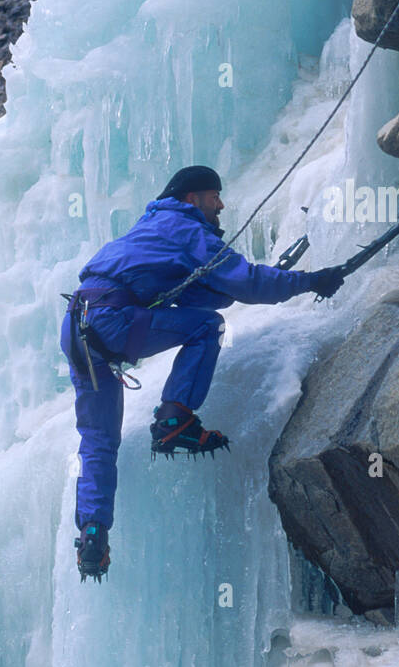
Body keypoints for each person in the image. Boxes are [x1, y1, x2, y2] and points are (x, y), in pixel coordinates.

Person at [60, 165, 344, 582]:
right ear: (193, 198)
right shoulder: (183, 227)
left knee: (98, 439)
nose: (222, 205)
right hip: (111, 320)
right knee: (206, 326)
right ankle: (175, 418)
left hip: (77, 327)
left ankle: (92, 531)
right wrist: (308, 281)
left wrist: (244, 284)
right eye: (215, 197)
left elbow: (202, 291)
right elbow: (244, 283)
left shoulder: (152, 227)